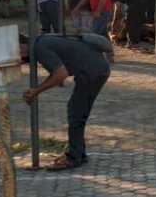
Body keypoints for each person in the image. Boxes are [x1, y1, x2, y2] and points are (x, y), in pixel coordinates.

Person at [22, 34, 110, 171]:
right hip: (97, 69)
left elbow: (60, 74)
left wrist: (36, 91)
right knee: (78, 112)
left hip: (93, 71)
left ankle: (74, 158)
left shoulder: (40, 48)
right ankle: (79, 153)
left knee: (76, 113)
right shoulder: (42, 41)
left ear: (22, 45)